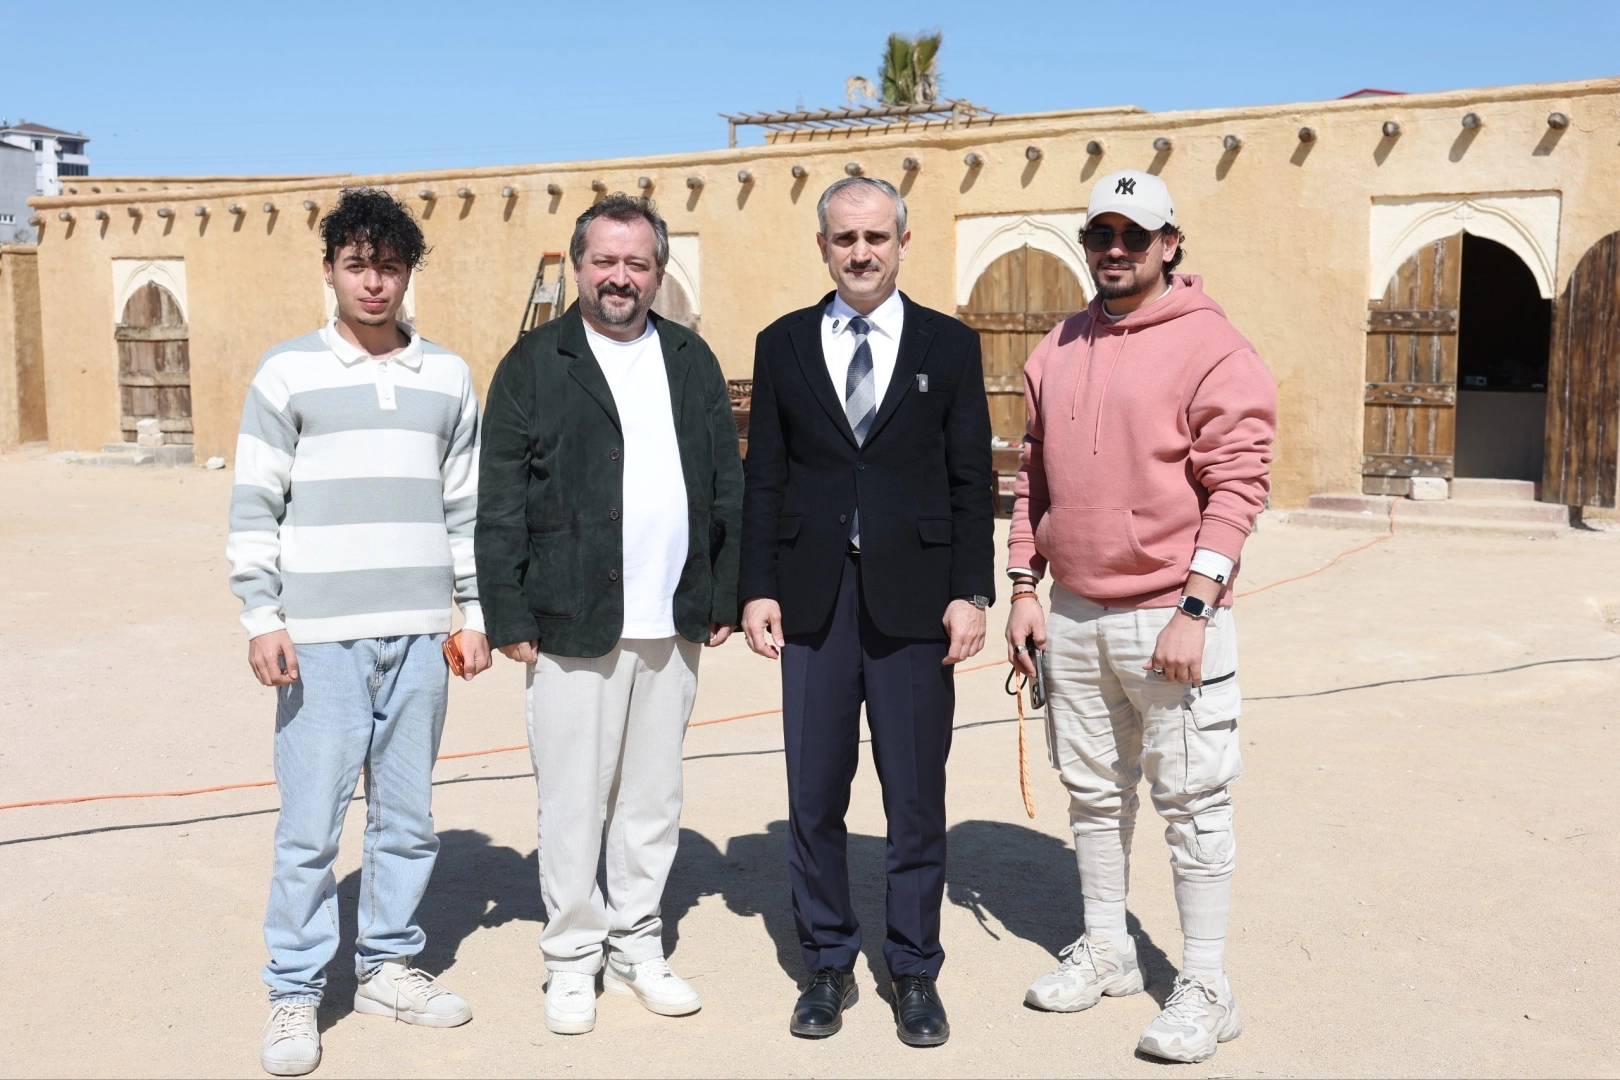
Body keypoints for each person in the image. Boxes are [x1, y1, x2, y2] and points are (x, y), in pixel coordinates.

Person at [1004, 168, 1276, 1064]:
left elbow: (1237, 487)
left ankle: (1206, 986)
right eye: (1101, 234)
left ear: (1170, 243)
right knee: (1091, 794)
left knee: (1193, 802)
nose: (1115, 250)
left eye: (1134, 235)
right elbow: (1032, 477)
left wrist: (1196, 607)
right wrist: (1024, 586)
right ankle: (1108, 949)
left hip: (1169, 615)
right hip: (1073, 615)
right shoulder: (1057, 346)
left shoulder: (1214, 348)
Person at [227, 186, 491, 1077]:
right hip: (320, 636)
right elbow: (255, 501)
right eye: (357, 265)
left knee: (407, 819)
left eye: (389, 266)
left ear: (408, 274)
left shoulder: (448, 376)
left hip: (421, 635)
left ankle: (385, 968)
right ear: (331, 270)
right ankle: (295, 991)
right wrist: (262, 616)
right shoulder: (286, 372)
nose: (373, 282)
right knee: (311, 825)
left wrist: (473, 613)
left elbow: (465, 506)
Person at [475, 193, 744, 1036]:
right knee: (573, 799)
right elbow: (499, 498)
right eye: (604, 261)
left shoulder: (690, 359)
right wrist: (508, 609)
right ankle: (570, 957)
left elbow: (725, 482)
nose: (619, 278)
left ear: (657, 272)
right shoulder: (534, 362)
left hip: (672, 617)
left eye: (636, 263)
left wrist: (724, 592)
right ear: (578, 267)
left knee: (652, 797)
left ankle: (635, 943)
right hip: (570, 617)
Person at [740, 177, 995, 1048]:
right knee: (814, 793)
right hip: (812, 598)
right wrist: (757, 586)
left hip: (917, 600)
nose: (861, 252)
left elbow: (971, 480)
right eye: (845, 238)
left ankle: (914, 968)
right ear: (823, 246)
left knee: (915, 796)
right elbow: (765, 477)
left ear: (902, 242)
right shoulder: (782, 343)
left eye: (876, 237)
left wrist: (972, 591)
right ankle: (826, 961)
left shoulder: (949, 346)